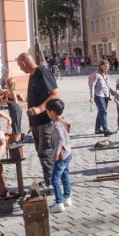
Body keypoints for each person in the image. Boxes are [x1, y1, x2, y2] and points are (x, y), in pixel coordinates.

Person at [18, 51, 60, 188]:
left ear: (24, 63)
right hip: (36, 122)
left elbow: (55, 94)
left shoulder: (42, 72)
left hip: (45, 120)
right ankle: (49, 179)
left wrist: (39, 109)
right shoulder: (32, 75)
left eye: (20, 66)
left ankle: (52, 184)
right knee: (41, 153)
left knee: (46, 152)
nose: (20, 68)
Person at [46, 99, 73, 212]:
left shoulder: (57, 124)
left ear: (52, 112)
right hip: (68, 154)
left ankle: (59, 203)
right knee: (65, 175)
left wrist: (56, 153)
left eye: (48, 110)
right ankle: (67, 197)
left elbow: (60, 139)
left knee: (55, 179)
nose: (47, 112)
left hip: (61, 156)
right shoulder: (62, 120)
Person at [89, 60, 113, 136]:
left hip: (105, 96)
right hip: (98, 96)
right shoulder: (96, 74)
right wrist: (92, 97)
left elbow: (108, 86)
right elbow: (92, 86)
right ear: (101, 66)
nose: (107, 67)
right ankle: (106, 130)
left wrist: (110, 94)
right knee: (103, 112)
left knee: (101, 112)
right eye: (105, 66)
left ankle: (97, 129)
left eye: (108, 66)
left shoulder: (107, 75)